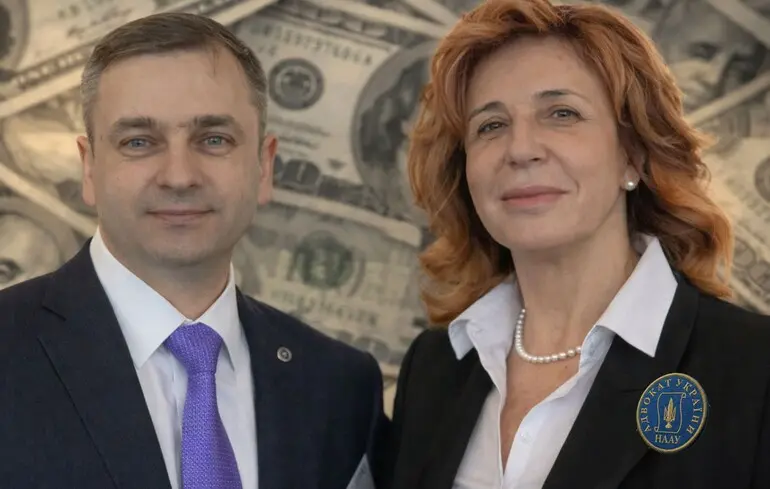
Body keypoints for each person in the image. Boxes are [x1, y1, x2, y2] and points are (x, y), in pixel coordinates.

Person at [380, 0, 770, 488]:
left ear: (633, 155)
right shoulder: (433, 369)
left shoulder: (755, 369)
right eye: (491, 125)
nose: (521, 149)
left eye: (561, 113)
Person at [0, 12, 387, 489]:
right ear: (89, 168)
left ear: (264, 167)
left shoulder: (341, 387)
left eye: (214, 139)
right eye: (139, 142)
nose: (180, 176)